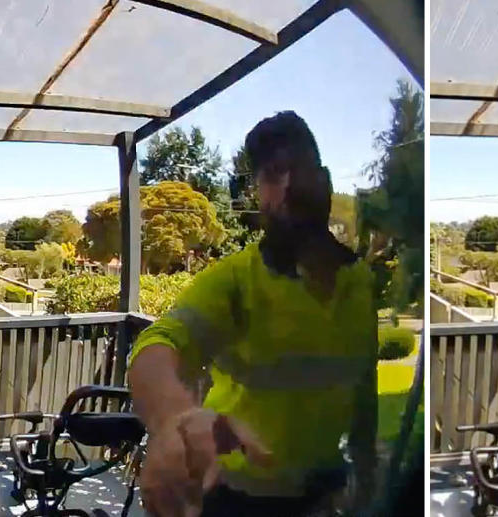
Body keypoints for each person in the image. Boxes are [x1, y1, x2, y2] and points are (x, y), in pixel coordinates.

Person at [128, 111, 377, 517]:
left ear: (327, 180)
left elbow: (364, 389)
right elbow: (157, 343)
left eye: (300, 168)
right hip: (235, 499)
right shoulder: (236, 281)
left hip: (323, 498)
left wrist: (366, 475)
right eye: (275, 175)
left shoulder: (361, 284)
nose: (291, 186)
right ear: (258, 194)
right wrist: (175, 420)